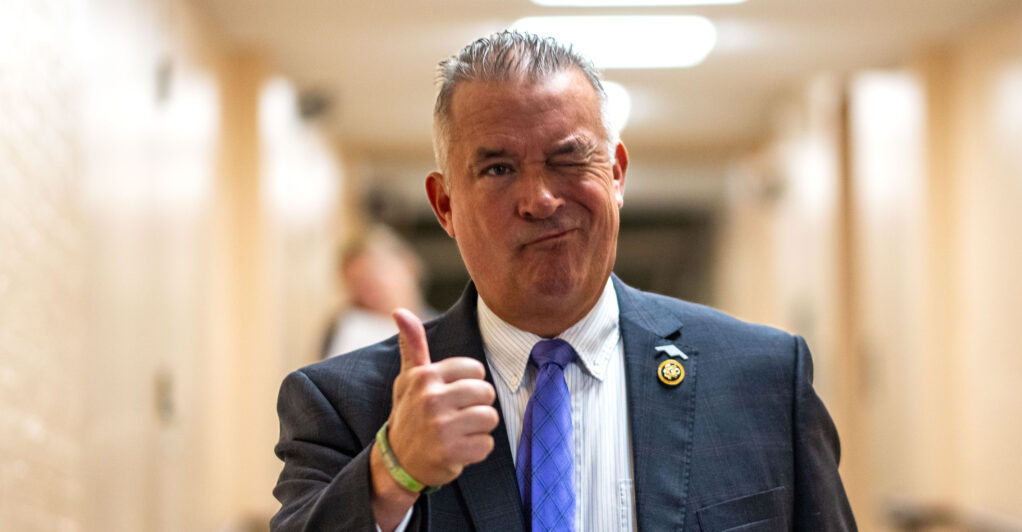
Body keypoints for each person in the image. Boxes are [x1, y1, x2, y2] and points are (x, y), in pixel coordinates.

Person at [271, 31, 856, 532]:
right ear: (445, 205)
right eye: (498, 168)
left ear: (618, 174)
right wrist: (392, 473)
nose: (541, 199)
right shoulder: (347, 405)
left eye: (568, 160)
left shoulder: (764, 382)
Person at [320, 226, 436, 359]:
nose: (372, 292)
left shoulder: (446, 327)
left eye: (377, 274)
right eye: (359, 285)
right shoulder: (346, 331)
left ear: (407, 263)